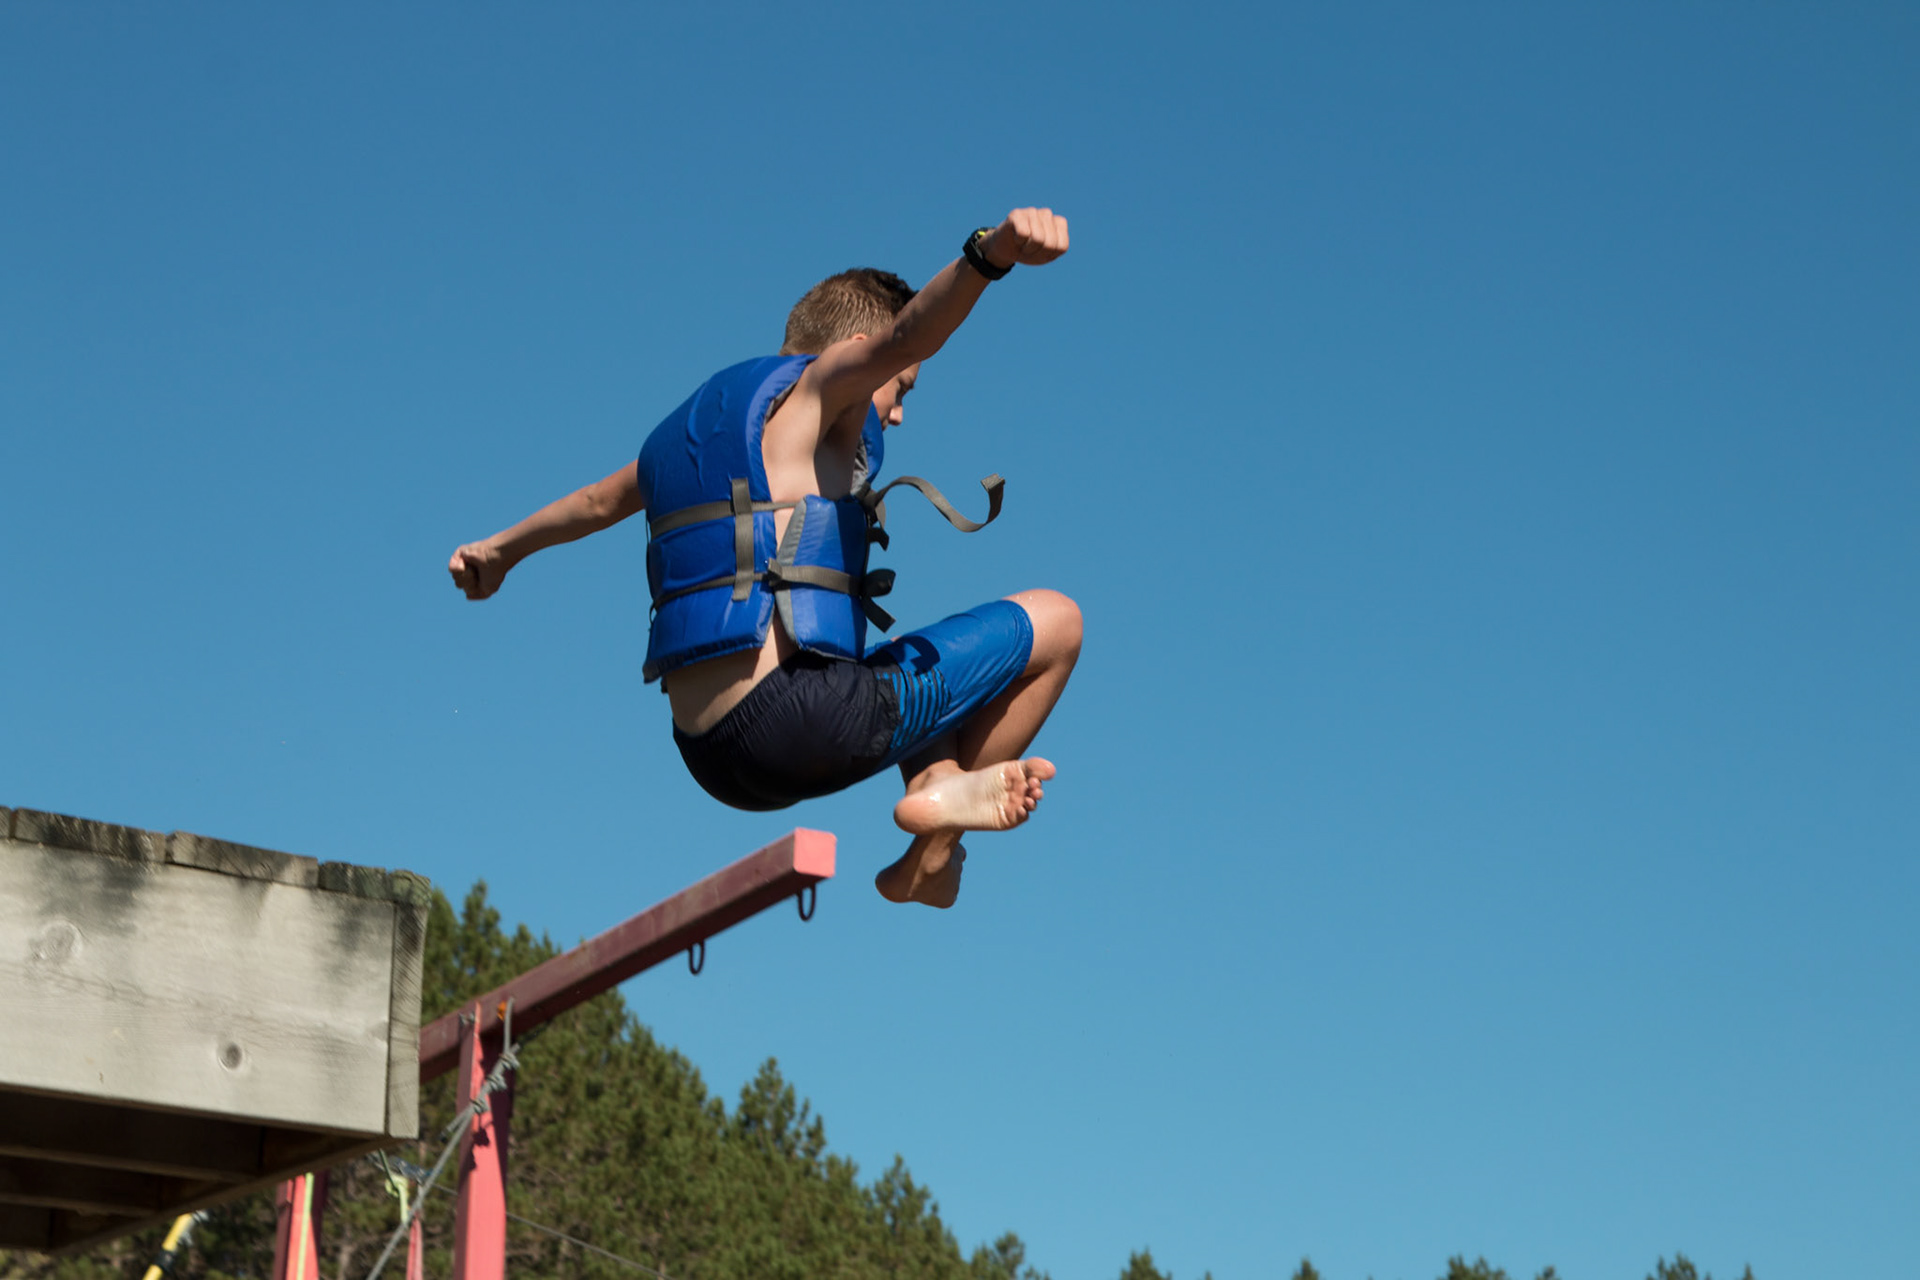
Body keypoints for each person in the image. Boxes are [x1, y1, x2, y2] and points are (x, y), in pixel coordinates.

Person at [448, 208, 1080, 908]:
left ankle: (936, 785)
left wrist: (499, 552)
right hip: (799, 721)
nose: (898, 413)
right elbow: (910, 334)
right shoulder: (821, 389)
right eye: (901, 387)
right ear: (859, 351)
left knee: (904, 661)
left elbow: (595, 503)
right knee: (1059, 623)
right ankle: (934, 845)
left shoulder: (692, 438)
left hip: (710, 755)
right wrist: (991, 254)